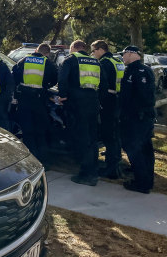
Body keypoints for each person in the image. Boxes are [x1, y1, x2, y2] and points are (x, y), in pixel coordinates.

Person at [58, 40, 100, 186]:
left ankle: (86, 174)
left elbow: (62, 80)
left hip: (77, 104)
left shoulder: (70, 60)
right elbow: (104, 83)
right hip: (93, 103)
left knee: (82, 138)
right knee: (93, 138)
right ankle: (94, 170)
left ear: (74, 48)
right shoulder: (95, 62)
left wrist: (62, 95)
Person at [12, 43, 58, 165]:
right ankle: (44, 162)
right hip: (40, 100)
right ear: (47, 53)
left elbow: (14, 75)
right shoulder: (47, 62)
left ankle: (30, 161)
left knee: (27, 131)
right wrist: (46, 85)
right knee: (41, 130)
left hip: (24, 98)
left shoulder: (24, 60)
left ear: (36, 50)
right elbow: (55, 78)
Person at [119, 45, 156, 193]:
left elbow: (142, 97)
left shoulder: (138, 71)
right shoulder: (140, 69)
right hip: (141, 117)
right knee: (146, 149)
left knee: (134, 148)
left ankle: (142, 183)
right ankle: (147, 179)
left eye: (124, 54)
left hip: (137, 118)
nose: (123, 57)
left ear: (131, 54)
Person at [91, 40, 125, 179]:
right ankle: (116, 161)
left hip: (108, 102)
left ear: (101, 49)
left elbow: (102, 85)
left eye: (93, 51)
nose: (93, 54)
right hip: (118, 101)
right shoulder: (118, 61)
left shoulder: (104, 63)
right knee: (115, 134)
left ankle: (111, 169)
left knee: (108, 135)